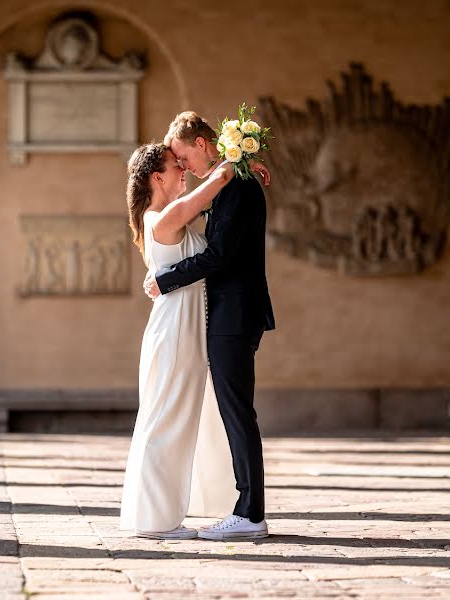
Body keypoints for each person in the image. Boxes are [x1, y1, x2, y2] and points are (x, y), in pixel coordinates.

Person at [143, 111, 275, 541]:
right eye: (175, 164)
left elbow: (218, 256)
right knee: (235, 411)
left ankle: (250, 512)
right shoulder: (229, 184)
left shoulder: (237, 188)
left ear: (201, 145)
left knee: (238, 412)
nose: (183, 167)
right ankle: (245, 507)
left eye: (183, 157)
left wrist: (164, 280)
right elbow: (197, 218)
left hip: (235, 315)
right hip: (229, 314)